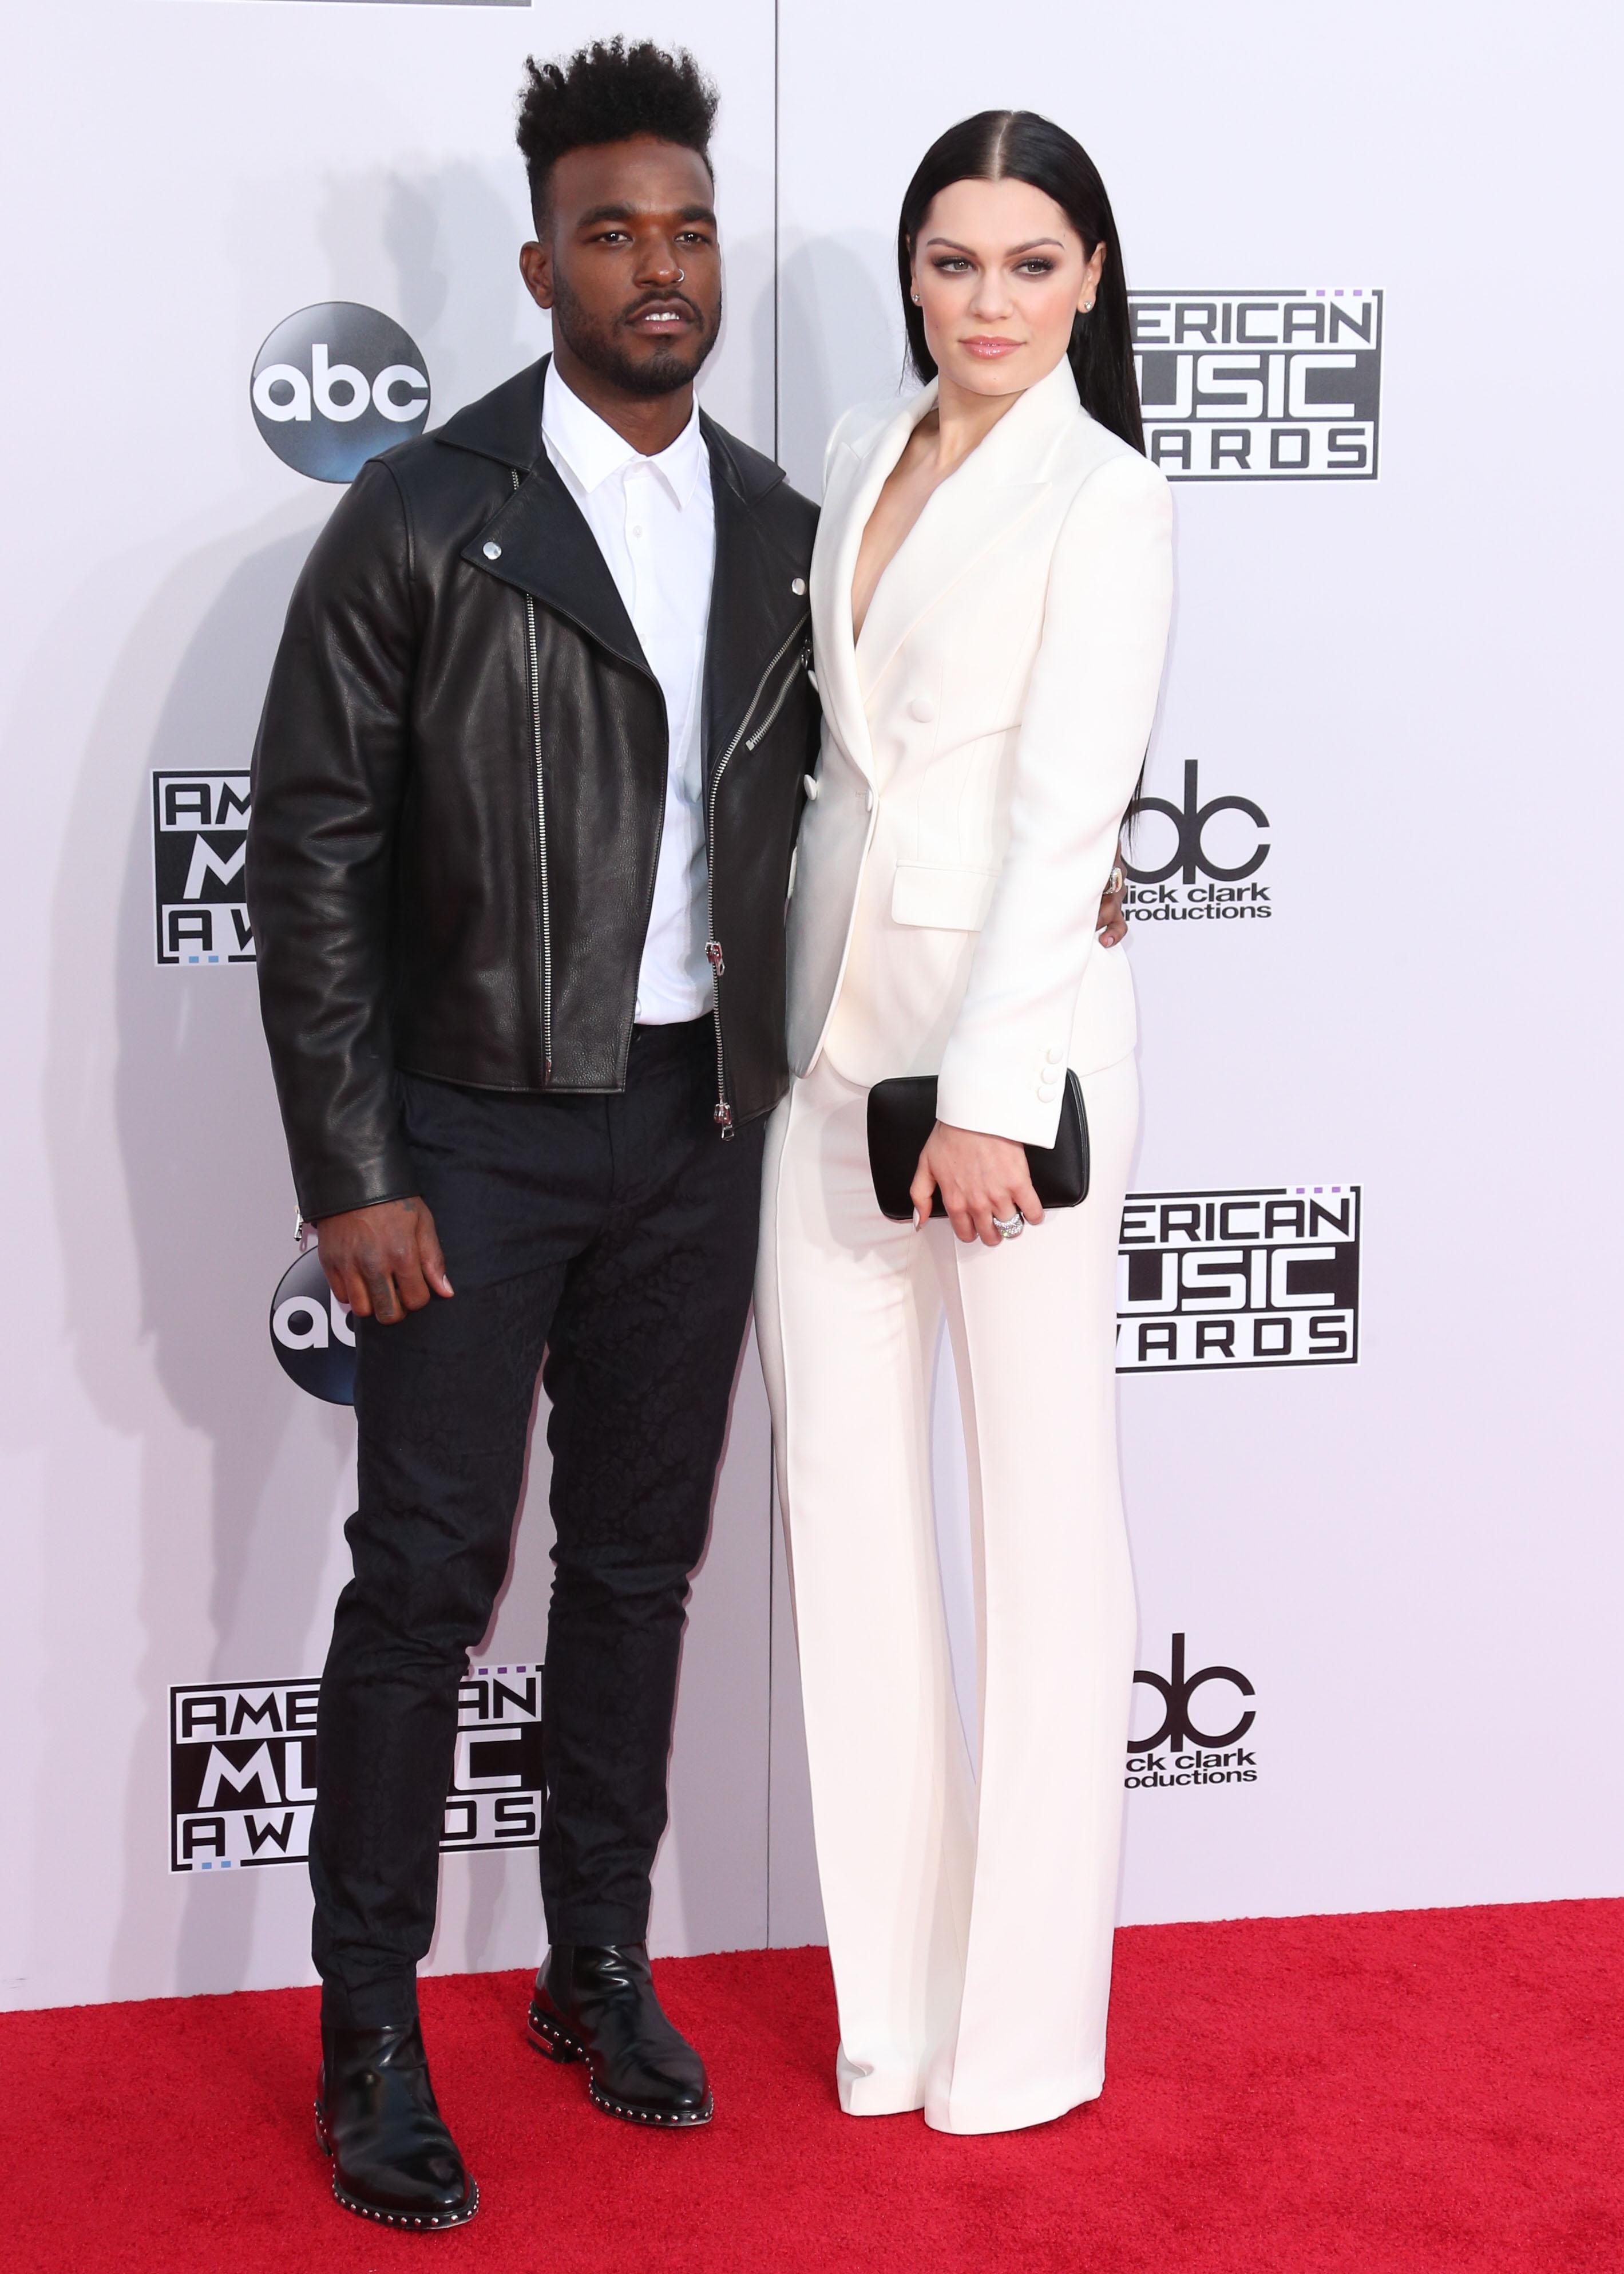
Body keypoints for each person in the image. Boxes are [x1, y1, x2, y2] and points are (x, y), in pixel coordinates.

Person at [247, 41, 821, 2230]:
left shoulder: (777, 523)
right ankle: (369, 2028)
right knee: (421, 1582)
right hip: (468, 1138)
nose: (657, 268)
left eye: (685, 230)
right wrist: (352, 1167)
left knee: (641, 1567)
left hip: (698, 1125)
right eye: (612, 231)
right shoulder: (427, 511)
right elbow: (309, 852)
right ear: (538, 263)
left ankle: (594, 1965)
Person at [755, 109, 1173, 2136]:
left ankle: (1020, 2042)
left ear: (1091, 275)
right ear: (913, 273)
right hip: (830, 1057)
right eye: (953, 260)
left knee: (1038, 1539)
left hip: (1006, 1084)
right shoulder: (861, 452)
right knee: (846, 1527)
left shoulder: (1108, 497)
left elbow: (1064, 809)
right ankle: (895, 2014)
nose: (987, 301)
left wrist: (998, 1100)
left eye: (1029, 262)